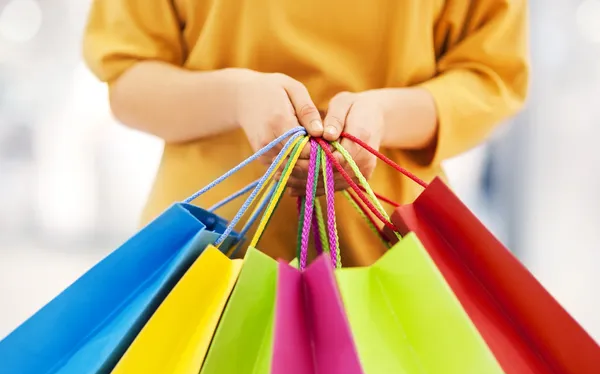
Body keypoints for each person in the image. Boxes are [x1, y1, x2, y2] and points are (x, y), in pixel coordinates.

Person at [82, 0, 528, 266]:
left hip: (387, 262)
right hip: (205, 264)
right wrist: (238, 98)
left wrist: (383, 116)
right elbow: (128, 81)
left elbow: (490, 76)